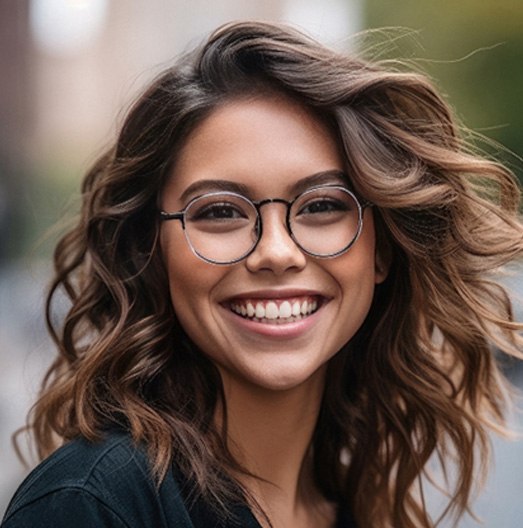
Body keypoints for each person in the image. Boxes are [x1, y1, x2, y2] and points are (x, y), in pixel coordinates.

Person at [2, 20, 523, 528]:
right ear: (151, 251)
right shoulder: (89, 505)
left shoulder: (357, 509)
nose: (276, 251)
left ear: (381, 249)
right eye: (221, 211)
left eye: (321, 205)